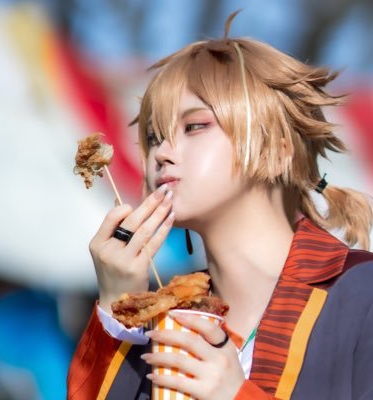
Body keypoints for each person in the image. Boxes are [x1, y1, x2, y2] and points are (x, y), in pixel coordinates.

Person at [67, 11, 373, 400]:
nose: (161, 153)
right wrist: (119, 308)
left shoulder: (361, 293)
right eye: (154, 137)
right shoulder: (163, 320)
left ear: (277, 152)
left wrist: (236, 394)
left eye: (194, 126)